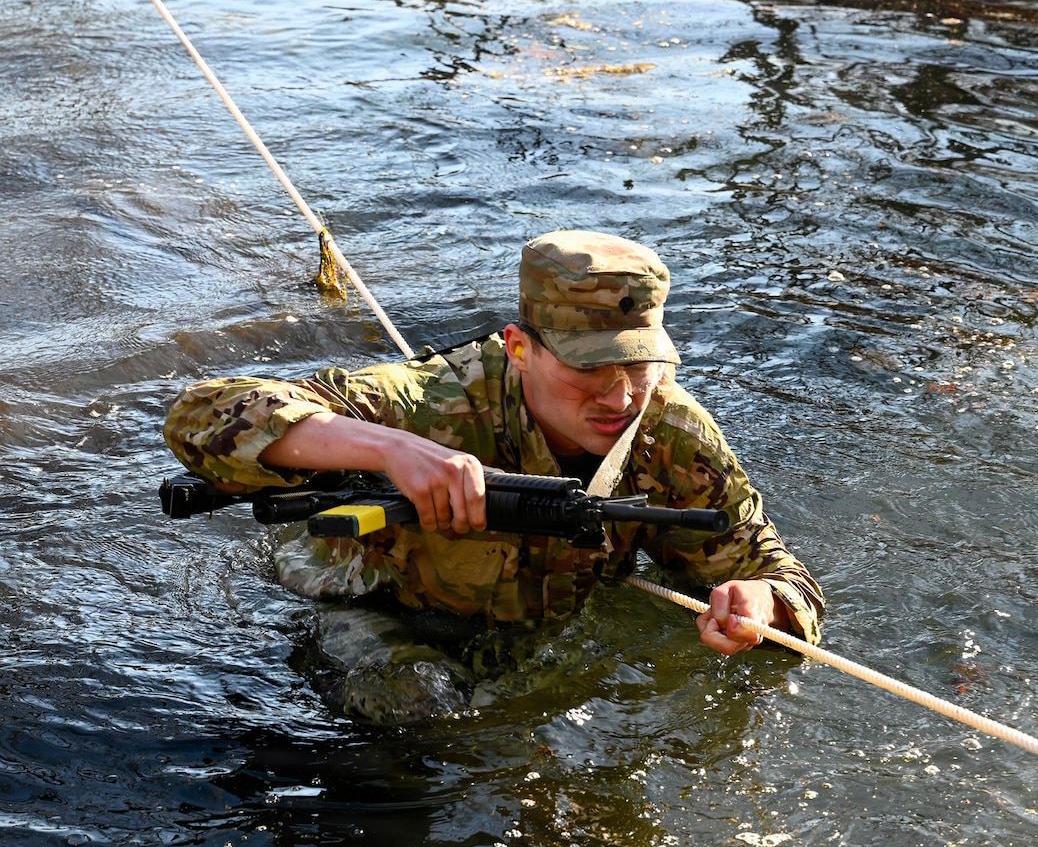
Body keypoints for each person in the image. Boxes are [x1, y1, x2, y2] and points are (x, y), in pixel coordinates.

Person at [165, 230, 823, 719]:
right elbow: (200, 415)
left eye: (638, 366)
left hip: (533, 632)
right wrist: (391, 449)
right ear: (519, 350)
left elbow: (779, 575)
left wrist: (759, 605)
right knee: (420, 706)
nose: (619, 397)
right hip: (370, 600)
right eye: (589, 368)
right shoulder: (428, 400)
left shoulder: (672, 436)